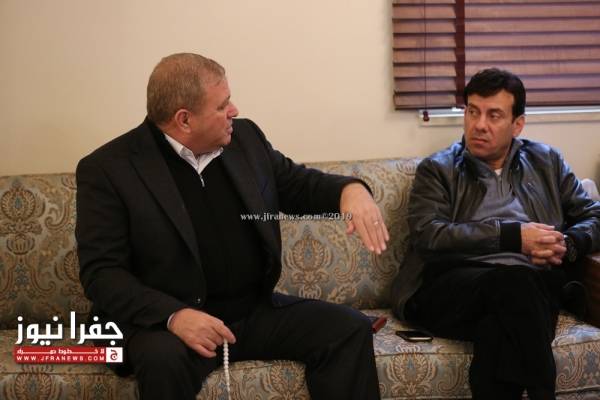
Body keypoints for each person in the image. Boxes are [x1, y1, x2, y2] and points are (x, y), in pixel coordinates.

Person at [75, 53, 387, 400]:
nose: (234, 111)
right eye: (222, 106)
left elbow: (298, 185)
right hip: (165, 325)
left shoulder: (245, 138)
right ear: (184, 120)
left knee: (347, 329)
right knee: (162, 360)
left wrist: (350, 191)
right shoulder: (109, 169)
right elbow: (101, 273)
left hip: (250, 312)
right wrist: (174, 316)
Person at [390, 68, 600, 400]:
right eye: (473, 111)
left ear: (518, 125)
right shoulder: (438, 169)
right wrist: (514, 237)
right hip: (452, 286)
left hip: (529, 288)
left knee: (498, 328)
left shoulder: (547, 162)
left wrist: (569, 244)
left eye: (494, 115)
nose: (479, 124)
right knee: (514, 284)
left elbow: (594, 215)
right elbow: (428, 235)